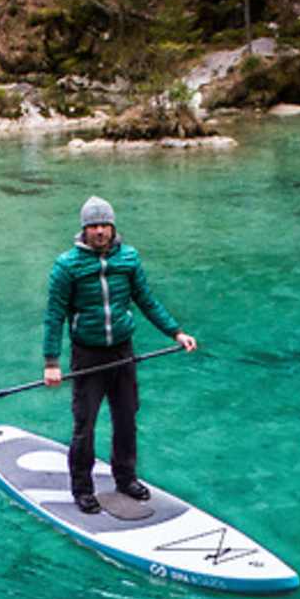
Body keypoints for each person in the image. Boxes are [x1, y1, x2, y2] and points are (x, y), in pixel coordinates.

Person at [43, 196, 198, 515]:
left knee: (126, 419)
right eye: (93, 226)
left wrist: (176, 332)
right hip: (88, 355)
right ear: (83, 230)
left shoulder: (129, 259)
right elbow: (54, 315)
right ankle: (83, 489)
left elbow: (147, 300)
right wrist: (51, 363)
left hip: (123, 352)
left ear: (113, 227)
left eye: (105, 225)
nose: (100, 231)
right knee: (85, 425)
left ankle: (125, 478)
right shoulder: (67, 266)